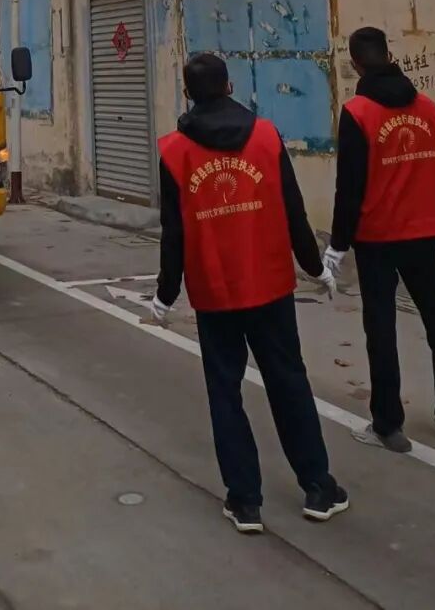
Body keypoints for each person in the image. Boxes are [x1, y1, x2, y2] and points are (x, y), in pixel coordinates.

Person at [153, 52, 348, 533]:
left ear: (187, 93)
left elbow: (174, 232)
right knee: (289, 382)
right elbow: (293, 209)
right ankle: (318, 487)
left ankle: (244, 501)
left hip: (214, 291)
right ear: (229, 85)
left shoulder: (174, 151)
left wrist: (165, 293)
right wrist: (315, 267)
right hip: (270, 285)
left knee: (225, 393)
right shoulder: (265, 136)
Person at [325, 27, 435, 451]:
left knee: (381, 328)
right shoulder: (428, 108)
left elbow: (349, 188)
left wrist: (338, 245)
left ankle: (388, 425)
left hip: (378, 237)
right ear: (389, 55)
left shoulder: (358, 113)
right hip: (423, 231)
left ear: (355, 64)